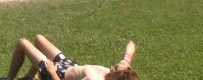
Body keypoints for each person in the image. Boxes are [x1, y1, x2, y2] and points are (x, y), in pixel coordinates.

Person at [7, 35, 137, 80]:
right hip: (68, 64)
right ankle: (30, 77)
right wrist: (126, 59)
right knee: (39, 39)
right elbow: (131, 45)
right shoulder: (122, 72)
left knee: (22, 43)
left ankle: (8, 79)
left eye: (116, 67)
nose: (115, 64)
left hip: (57, 73)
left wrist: (52, 71)